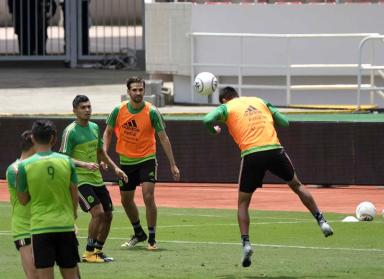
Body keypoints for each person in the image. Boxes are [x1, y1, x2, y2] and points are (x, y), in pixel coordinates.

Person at [203, 86, 333, 268]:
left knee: (242, 203)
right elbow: (285, 122)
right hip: (274, 150)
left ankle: (246, 244)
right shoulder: (260, 101)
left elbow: (206, 119)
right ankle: (322, 221)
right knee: (297, 185)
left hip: (252, 154)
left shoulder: (227, 108)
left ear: (224, 99)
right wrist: (269, 117)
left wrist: (214, 130)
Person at [103, 76, 181, 250]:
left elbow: (163, 138)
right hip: (126, 161)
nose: (138, 93)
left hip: (147, 159)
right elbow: (107, 132)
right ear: (128, 91)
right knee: (125, 200)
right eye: (134, 90)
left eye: (140, 89)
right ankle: (138, 232)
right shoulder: (118, 110)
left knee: (148, 196)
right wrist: (105, 155)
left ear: (144, 91)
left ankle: (152, 239)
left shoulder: (152, 111)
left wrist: (173, 164)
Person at [60, 95, 127, 263]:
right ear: (75, 110)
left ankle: (97, 250)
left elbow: (100, 152)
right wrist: (84, 164)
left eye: (89, 107)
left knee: (109, 214)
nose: (87, 110)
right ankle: (89, 252)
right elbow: (63, 158)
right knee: (98, 213)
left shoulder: (95, 127)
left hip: (97, 179)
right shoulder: (70, 131)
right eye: (83, 107)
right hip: (80, 180)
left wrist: (115, 168)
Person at [17, 120, 81, 279]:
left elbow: (23, 199)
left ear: (32, 138)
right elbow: (74, 194)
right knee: (71, 275)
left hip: (41, 228)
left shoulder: (24, 166)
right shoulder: (67, 162)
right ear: (53, 138)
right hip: (65, 226)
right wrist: (72, 215)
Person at [6, 130, 37, 279]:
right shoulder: (14, 170)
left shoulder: (37, 167)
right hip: (24, 227)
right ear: (34, 146)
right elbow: (27, 196)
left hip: (41, 224)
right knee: (34, 274)